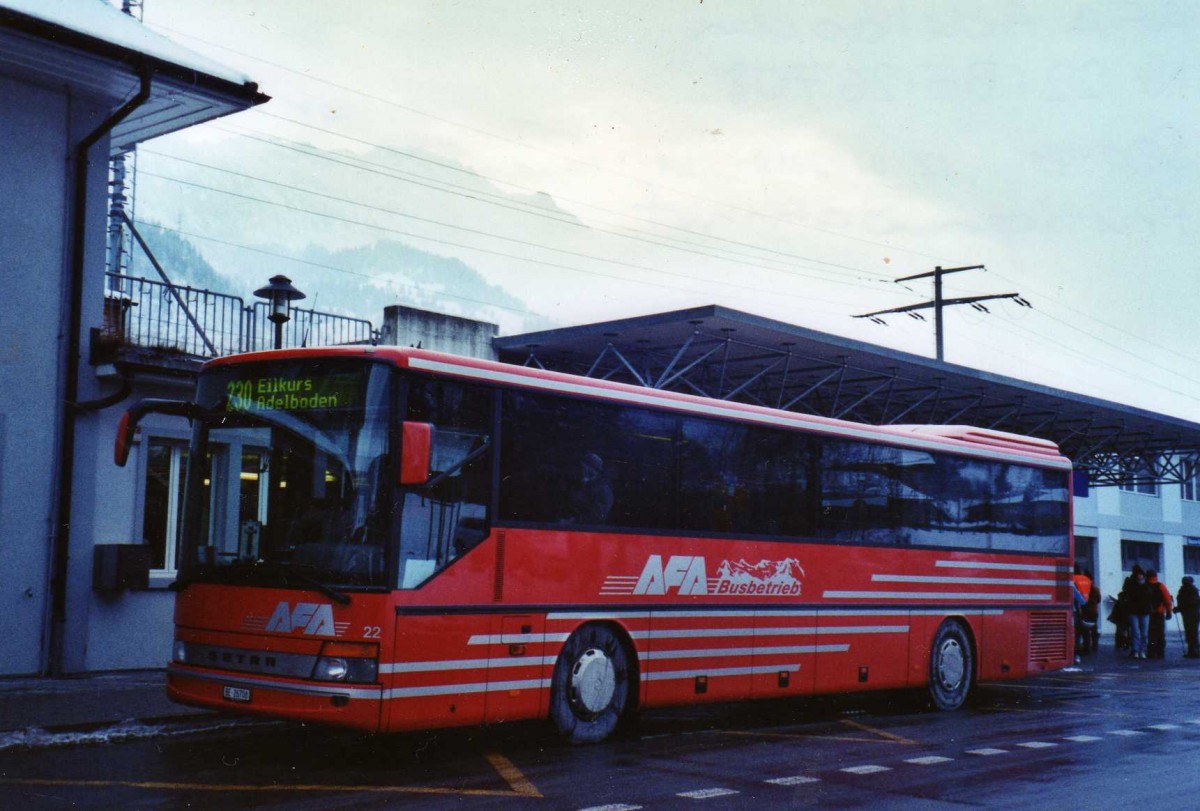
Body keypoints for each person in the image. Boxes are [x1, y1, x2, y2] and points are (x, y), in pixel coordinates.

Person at [563, 452, 614, 525]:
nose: (579, 469)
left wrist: (572, 521)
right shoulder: (579, 485)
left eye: (582, 466)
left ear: (590, 469)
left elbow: (598, 517)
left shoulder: (602, 488)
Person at [1121, 566, 1153, 660]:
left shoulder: (1133, 583)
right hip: (1141, 610)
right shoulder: (1145, 584)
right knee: (1140, 632)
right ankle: (1140, 651)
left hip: (1136, 610)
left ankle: (1138, 651)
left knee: (1139, 632)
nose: (1139, 576)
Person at [1147, 570, 1172, 659]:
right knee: (1160, 633)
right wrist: (1169, 612)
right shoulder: (1161, 586)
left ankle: (1151, 651)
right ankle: (1160, 651)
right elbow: (1167, 600)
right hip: (1160, 612)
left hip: (1148, 613)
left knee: (1151, 633)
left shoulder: (1145, 586)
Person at [1073, 566, 1096, 654]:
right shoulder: (1087, 580)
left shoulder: (1073, 579)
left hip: (1077, 608)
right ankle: (1088, 648)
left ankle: (1076, 649)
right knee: (1086, 629)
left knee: (1077, 631)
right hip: (1088, 606)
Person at [1177, 576, 1200, 659]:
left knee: (1192, 633)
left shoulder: (1190, 590)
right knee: (1190, 633)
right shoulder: (1188, 590)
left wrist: (1179, 608)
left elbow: (1190, 602)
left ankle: (1194, 651)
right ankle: (1192, 650)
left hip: (1192, 614)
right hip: (1189, 614)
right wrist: (1179, 608)